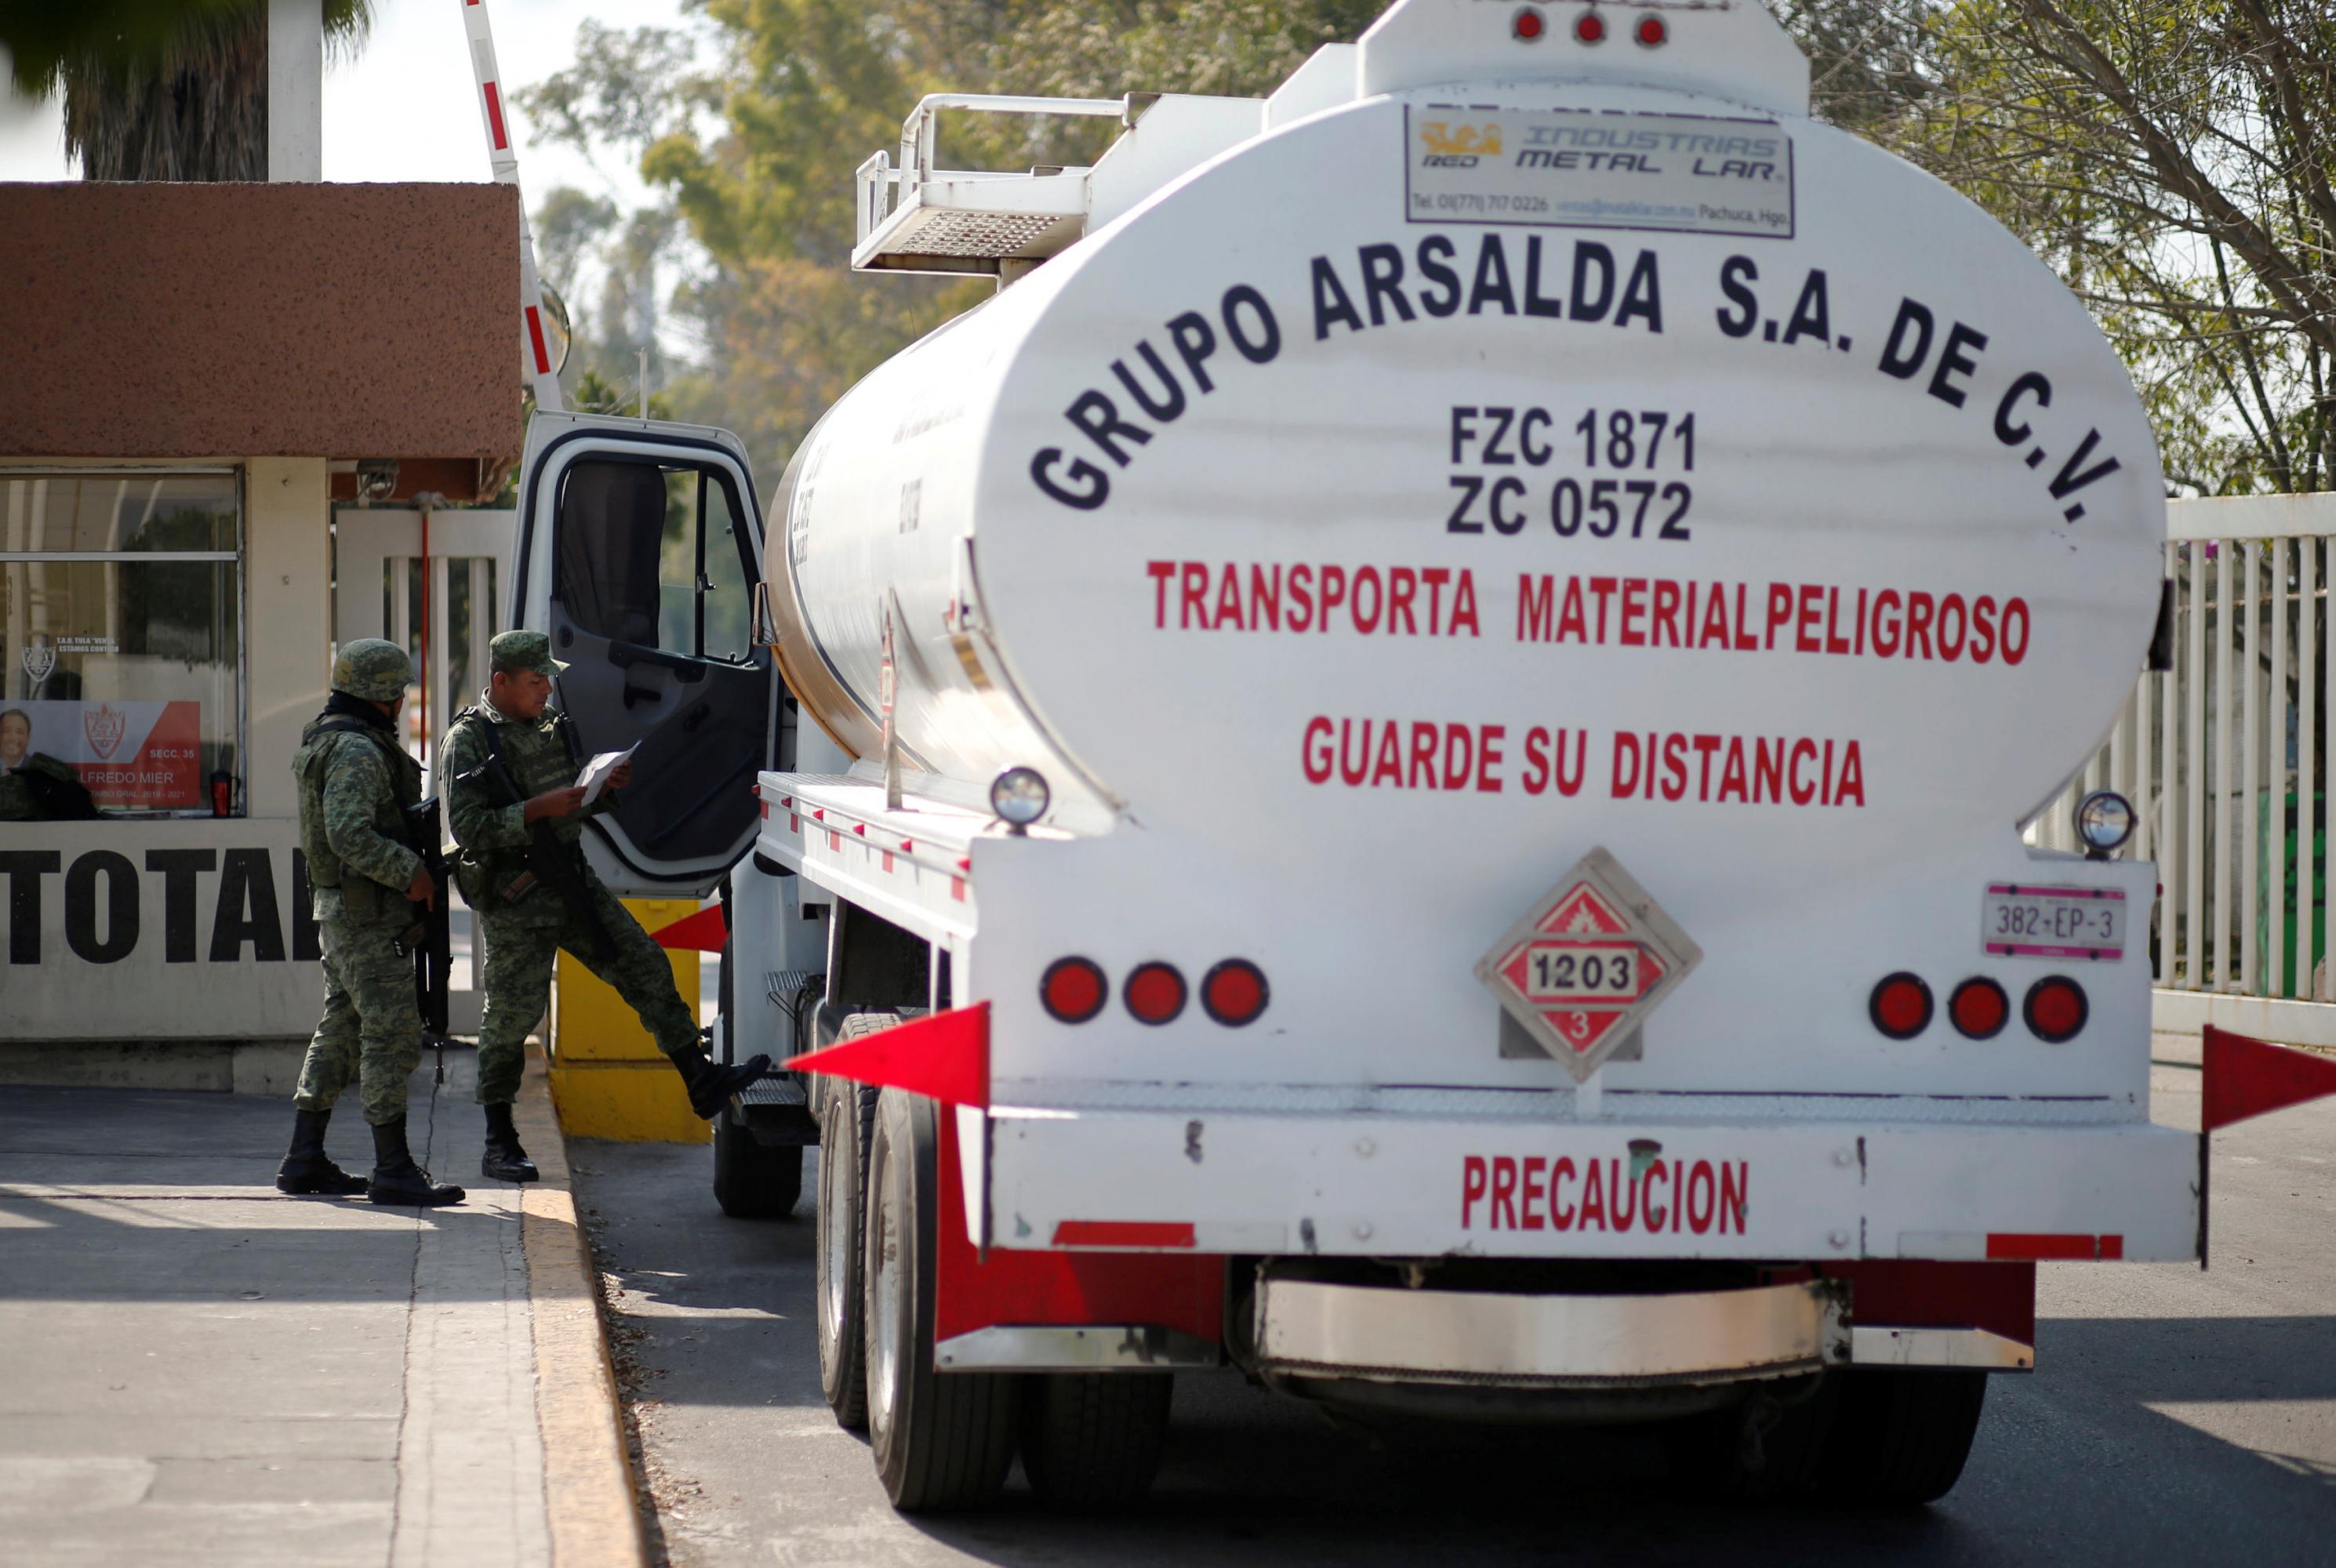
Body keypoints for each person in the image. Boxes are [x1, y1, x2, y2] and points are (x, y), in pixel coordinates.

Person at [441, 630, 770, 1184]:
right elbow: (467, 829)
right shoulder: (469, 741)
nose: (546, 688)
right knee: (510, 1019)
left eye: (548, 678)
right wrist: (534, 810)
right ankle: (499, 1141)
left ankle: (699, 1078)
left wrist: (604, 788)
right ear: (500, 682)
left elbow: (576, 804)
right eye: (534, 680)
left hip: (570, 879)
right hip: (517, 895)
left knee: (644, 963)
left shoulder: (551, 728)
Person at [278, 638, 463, 1206]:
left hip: (344, 912)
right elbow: (348, 833)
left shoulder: (330, 738)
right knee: (391, 1033)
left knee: (342, 1029)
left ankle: (304, 1158)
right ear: (380, 694)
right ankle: (393, 1168)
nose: (402, 701)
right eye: (398, 691)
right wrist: (412, 871)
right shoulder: (356, 751)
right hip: (365, 915)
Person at [0, 706, 100, 821]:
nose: (13, 737)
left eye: (20, 732)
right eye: (5, 731)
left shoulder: (44, 772)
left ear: (28, 737)